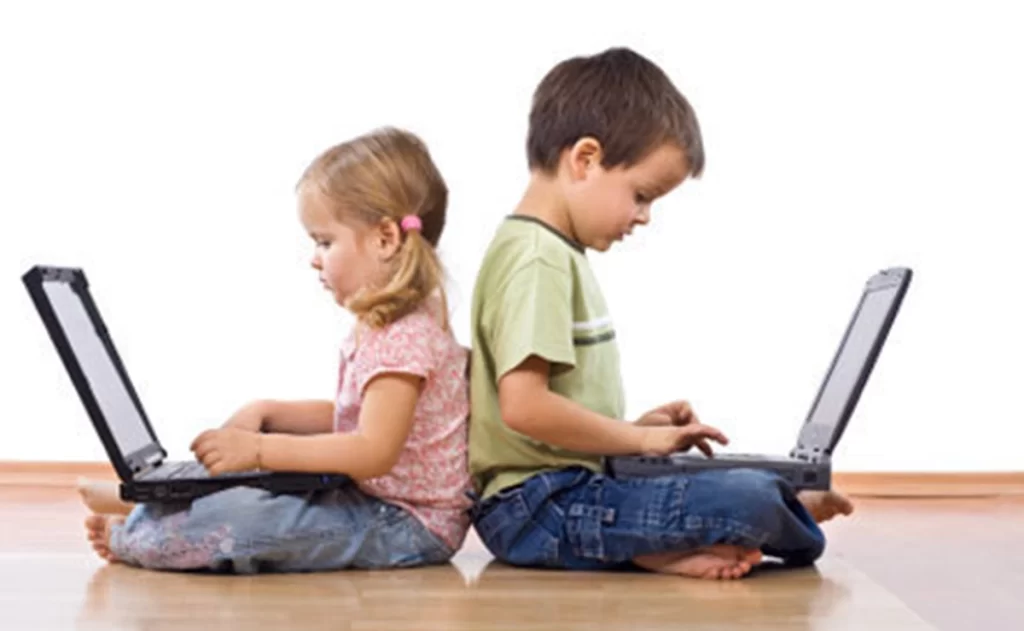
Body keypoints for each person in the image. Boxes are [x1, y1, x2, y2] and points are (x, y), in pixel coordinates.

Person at [467, 47, 853, 581]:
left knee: (737, 484)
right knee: (751, 495)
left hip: (562, 495)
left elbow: (547, 414)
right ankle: (782, 511)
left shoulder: (549, 252)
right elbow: (524, 408)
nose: (643, 217)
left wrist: (633, 429)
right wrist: (640, 442)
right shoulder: (538, 259)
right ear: (585, 159)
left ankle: (667, 544)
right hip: (537, 509)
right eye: (642, 195)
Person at [79, 127, 473, 573]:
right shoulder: (386, 326)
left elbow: (372, 449)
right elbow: (358, 417)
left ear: (385, 238)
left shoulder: (406, 336)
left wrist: (260, 451)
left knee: (246, 520)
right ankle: (156, 505)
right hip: (372, 500)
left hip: (407, 524)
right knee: (261, 492)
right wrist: (267, 412)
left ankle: (137, 534)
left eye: (324, 241)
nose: (314, 257)